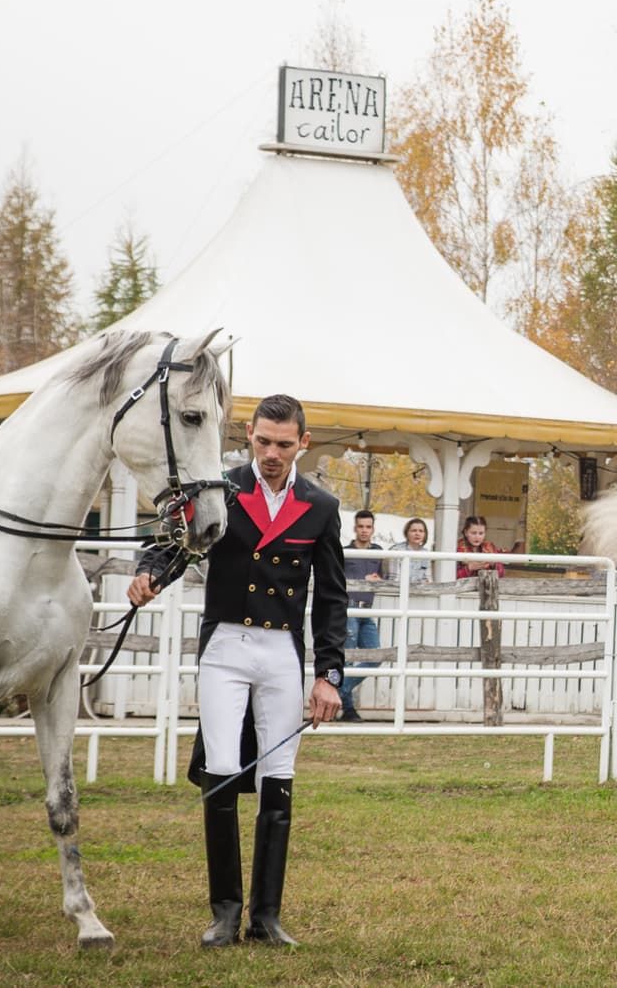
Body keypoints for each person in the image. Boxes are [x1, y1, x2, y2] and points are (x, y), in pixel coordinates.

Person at [129, 393, 346, 949]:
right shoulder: (219, 489)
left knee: (279, 777)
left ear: (303, 442)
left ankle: (266, 917)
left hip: (282, 652)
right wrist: (150, 574)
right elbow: (172, 545)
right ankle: (224, 912)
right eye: (263, 441)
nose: (271, 453)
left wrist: (330, 674)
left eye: (283, 444)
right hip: (225, 646)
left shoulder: (321, 506)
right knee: (222, 771)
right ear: (248, 434)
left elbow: (332, 598)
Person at [339, 509, 385, 723]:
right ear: (355, 528)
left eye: (368, 527)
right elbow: (338, 579)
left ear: (373, 529)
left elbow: (385, 577)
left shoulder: (378, 552)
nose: (364, 530)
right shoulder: (346, 552)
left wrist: (378, 580)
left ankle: (339, 691)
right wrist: (361, 580)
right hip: (350, 607)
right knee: (348, 658)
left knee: (375, 656)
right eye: (361, 526)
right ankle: (348, 710)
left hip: (368, 608)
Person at [454, 515, 505, 579]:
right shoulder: (457, 548)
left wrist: (493, 564)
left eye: (481, 533)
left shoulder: (490, 547)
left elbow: (501, 574)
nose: (477, 537)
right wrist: (469, 568)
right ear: (466, 532)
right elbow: (450, 576)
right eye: (473, 533)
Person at [387, 516, 433, 585]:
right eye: (414, 530)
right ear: (406, 533)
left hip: (420, 590)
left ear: (425, 534)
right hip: (399, 589)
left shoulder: (426, 553)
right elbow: (394, 579)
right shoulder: (396, 550)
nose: (417, 534)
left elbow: (428, 579)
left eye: (421, 531)